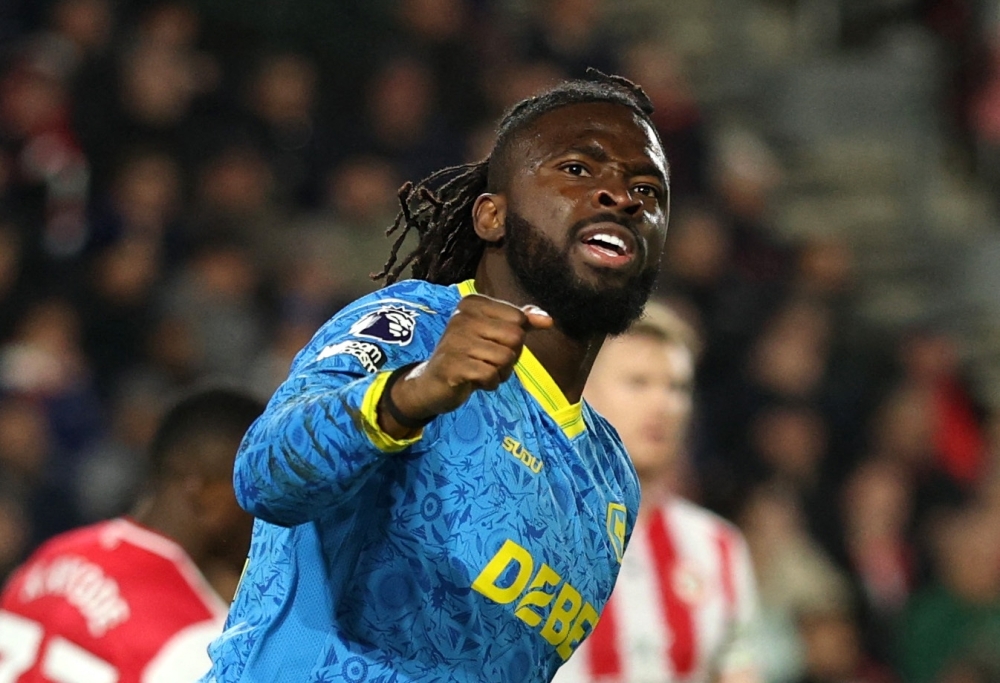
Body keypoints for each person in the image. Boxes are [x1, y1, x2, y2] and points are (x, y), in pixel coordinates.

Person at [202, 71, 671, 682]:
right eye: (579, 169)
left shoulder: (611, 480)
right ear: (492, 217)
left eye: (647, 188)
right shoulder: (416, 328)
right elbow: (264, 475)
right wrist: (409, 396)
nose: (622, 197)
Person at [554, 302, 760, 683]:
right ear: (582, 392)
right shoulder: (532, 527)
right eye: (638, 382)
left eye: (677, 387)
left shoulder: (718, 546)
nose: (663, 405)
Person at [0, 386, 265, 682]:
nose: (272, 516)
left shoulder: (53, 556)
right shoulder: (199, 642)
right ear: (204, 492)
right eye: (262, 492)